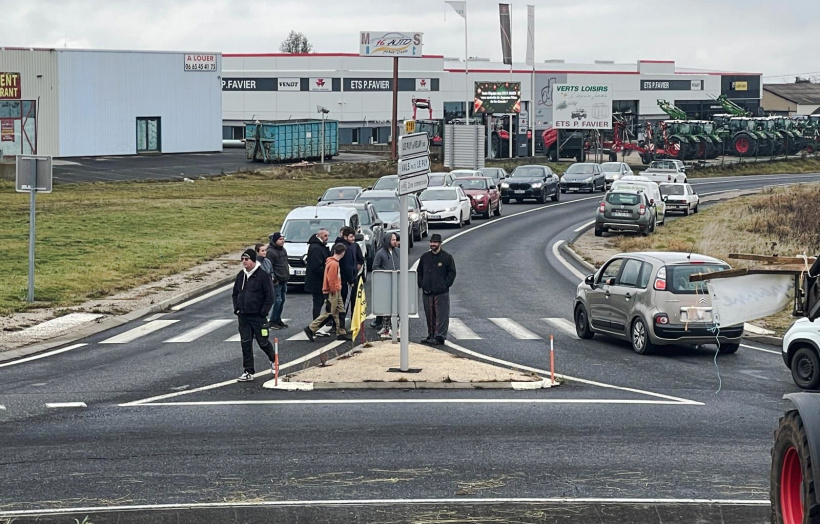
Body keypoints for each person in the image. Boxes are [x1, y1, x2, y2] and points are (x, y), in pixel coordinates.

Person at [232, 248, 276, 382]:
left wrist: (263, 312)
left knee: (263, 342)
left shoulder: (263, 276)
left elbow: (270, 296)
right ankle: (248, 371)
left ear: (253, 260)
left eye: (247, 259)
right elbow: (235, 293)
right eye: (242, 259)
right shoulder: (241, 275)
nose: (244, 262)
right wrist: (237, 309)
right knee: (245, 343)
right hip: (243, 316)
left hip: (258, 316)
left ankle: (274, 359)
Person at [304, 243, 349, 347]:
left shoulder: (332, 262)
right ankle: (311, 328)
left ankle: (341, 331)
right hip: (333, 291)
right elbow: (331, 279)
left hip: (336, 290)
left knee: (341, 310)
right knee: (330, 312)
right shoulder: (334, 264)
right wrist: (333, 290)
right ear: (342, 253)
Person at [417, 233, 457, 346]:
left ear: (440, 244)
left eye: (435, 242)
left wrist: (445, 285)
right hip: (427, 292)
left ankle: (440, 337)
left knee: (441, 315)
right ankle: (431, 334)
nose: (432, 244)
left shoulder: (447, 257)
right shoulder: (425, 257)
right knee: (429, 315)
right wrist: (421, 284)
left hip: (441, 293)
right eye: (431, 242)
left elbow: (452, 273)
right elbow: (419, 271)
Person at [371, 232, 400, 336]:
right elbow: (375, 267)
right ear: (388, 240)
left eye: (395, 239)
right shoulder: (380, 253)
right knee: (386, 308)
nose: (395, 241)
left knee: (397, 307)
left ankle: (396, 327)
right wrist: (385, 274)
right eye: (393, 239)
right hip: (385, 284)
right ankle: (385, 327)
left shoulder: (398, 252)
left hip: (397, 282)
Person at [335, 227, 364, 327]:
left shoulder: (351, 246)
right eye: (351, 237)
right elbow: (346, 265)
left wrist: (355, 271)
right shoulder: (344, 247)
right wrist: (351, 279)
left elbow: (359, 260)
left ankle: (344, 325)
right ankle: (341, 327)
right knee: (344, 305)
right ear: (345, 236)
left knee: (348, 303)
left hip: (349, 279)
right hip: (346, 281)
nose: (353, 239)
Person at [304, 228, 331, 333]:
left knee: (321, 303)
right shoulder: (316, 248)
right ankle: (316, 325)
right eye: (325, 236)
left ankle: (318, 324)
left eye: (327, 236)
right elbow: (316, 266)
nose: (327, 238)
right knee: (318, 303)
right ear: (319, 236)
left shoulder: (320, 246)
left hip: (319, 280)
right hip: (317, 281)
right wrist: (326, 274)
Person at [266, 232, 290, 329]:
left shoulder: (283, 250)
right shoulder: (270, 252)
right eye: (280, 239)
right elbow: (269, 266)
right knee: (278, 300)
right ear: (275, 240)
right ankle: (272, 320)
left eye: (283, 239)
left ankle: (278, 319)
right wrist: (274, 278)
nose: (282, 241)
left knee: (282, 300)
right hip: (277, 280)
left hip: (284, 278)